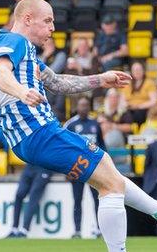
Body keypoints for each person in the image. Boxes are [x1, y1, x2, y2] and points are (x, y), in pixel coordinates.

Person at [0, 0, 157, 251]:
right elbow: (0, 74)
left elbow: (58, 82)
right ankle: (152, 220)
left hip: (29, 137)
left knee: (106, 176)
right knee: (110, 180)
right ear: (27, 19)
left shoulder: (17, 50)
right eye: (48, 21)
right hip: (37, 132)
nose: (53, 28)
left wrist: (100, 79)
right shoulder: (14, 41)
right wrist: (22, 92)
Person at [64, 97, 102, 238]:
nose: (84, 108)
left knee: (97, 200)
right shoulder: (71, 124)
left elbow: (101, 146)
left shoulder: (95, 124)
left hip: (93, 170)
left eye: (86, 105)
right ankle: (77, 230)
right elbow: (64, 148)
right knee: (77, 200)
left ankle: (99, 229)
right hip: (76, 169)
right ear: (77, 107)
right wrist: (66, 169)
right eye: (81, 105)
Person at [7, 165, 53, 238]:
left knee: (33, 196)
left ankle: (24, 230)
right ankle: (14, 229)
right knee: (19, 194)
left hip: (44, 167)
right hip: (30, 165)